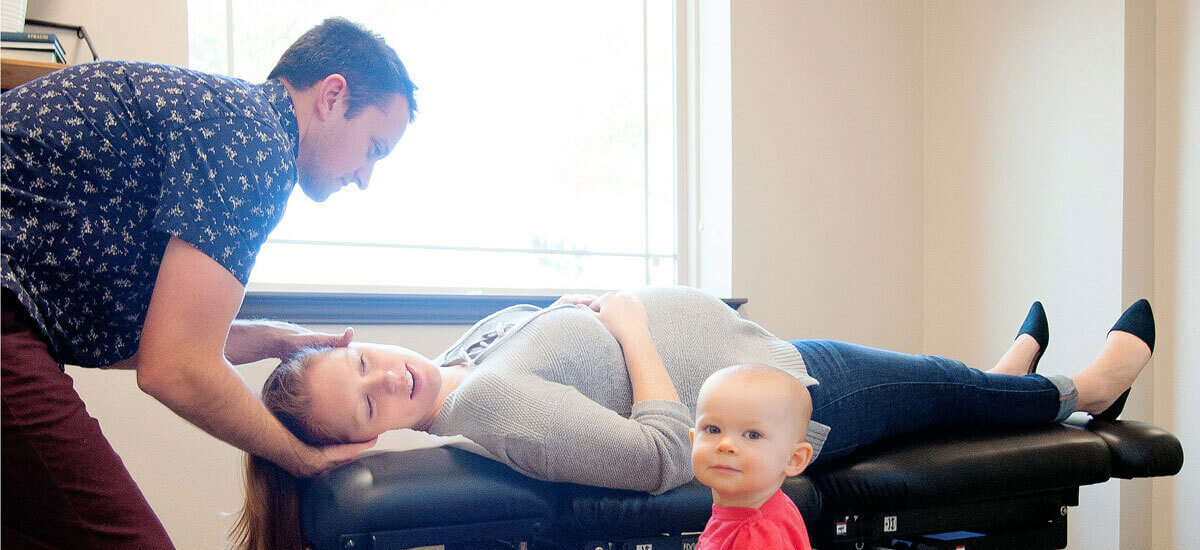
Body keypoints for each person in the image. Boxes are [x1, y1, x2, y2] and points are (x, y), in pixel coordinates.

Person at [241, 286, 1155, 549]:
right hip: (783, 391)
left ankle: (1006, 384)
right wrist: (635, 329)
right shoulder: (487, 405)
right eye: (364, 403)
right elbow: (654, 456)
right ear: (364, 440)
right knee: (925, 383)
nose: (383, 381)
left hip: (762, 358)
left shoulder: (467, 360)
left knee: (934, 392)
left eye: (362, 362)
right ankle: (1084, 389)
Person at [1, 17, 417, 548]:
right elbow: (173, 369)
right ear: (333, 96)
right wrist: (301, 458)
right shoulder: (255, 142)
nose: (365, 177)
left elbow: (149, 340)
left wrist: (267, 339)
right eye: (374, 149)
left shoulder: (223, 121)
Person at [691, 364, 815, 550]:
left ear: (794, 459)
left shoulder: (757, 537)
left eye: (753, 435)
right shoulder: (764, 508)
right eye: (713, 429)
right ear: (693, 440)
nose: (725, 445)